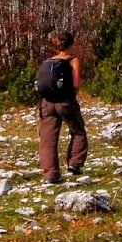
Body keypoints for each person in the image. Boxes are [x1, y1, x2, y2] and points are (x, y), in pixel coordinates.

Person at [37, 30, 87, 183]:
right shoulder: (73, 60)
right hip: (65, 102)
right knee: (78, 131)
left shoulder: (47, 62)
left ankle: (50, 174)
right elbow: (76, 83)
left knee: (48, 140)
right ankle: (75, 163)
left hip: (46, 103)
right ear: (71, 43)